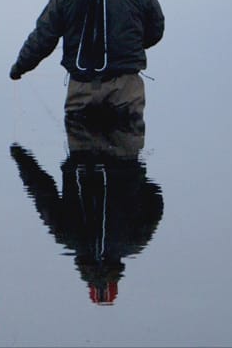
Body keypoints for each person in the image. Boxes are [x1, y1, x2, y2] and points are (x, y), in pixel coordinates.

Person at [9, 0, 164, 123]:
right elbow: (156, 30)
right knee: (127, 149)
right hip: (126, 89)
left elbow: (43, 37)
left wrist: (19, 68)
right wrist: (129, 45)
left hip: (81, 89)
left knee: (81, 153)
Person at [9, 114, 162, 305]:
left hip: (125, 151)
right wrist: (21, 158)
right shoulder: (68, 238)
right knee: (83, 100)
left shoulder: (133, 242)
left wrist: (136, 180)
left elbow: (155, 201)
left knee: (121, 97)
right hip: (80, 148)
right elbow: (42, 191)